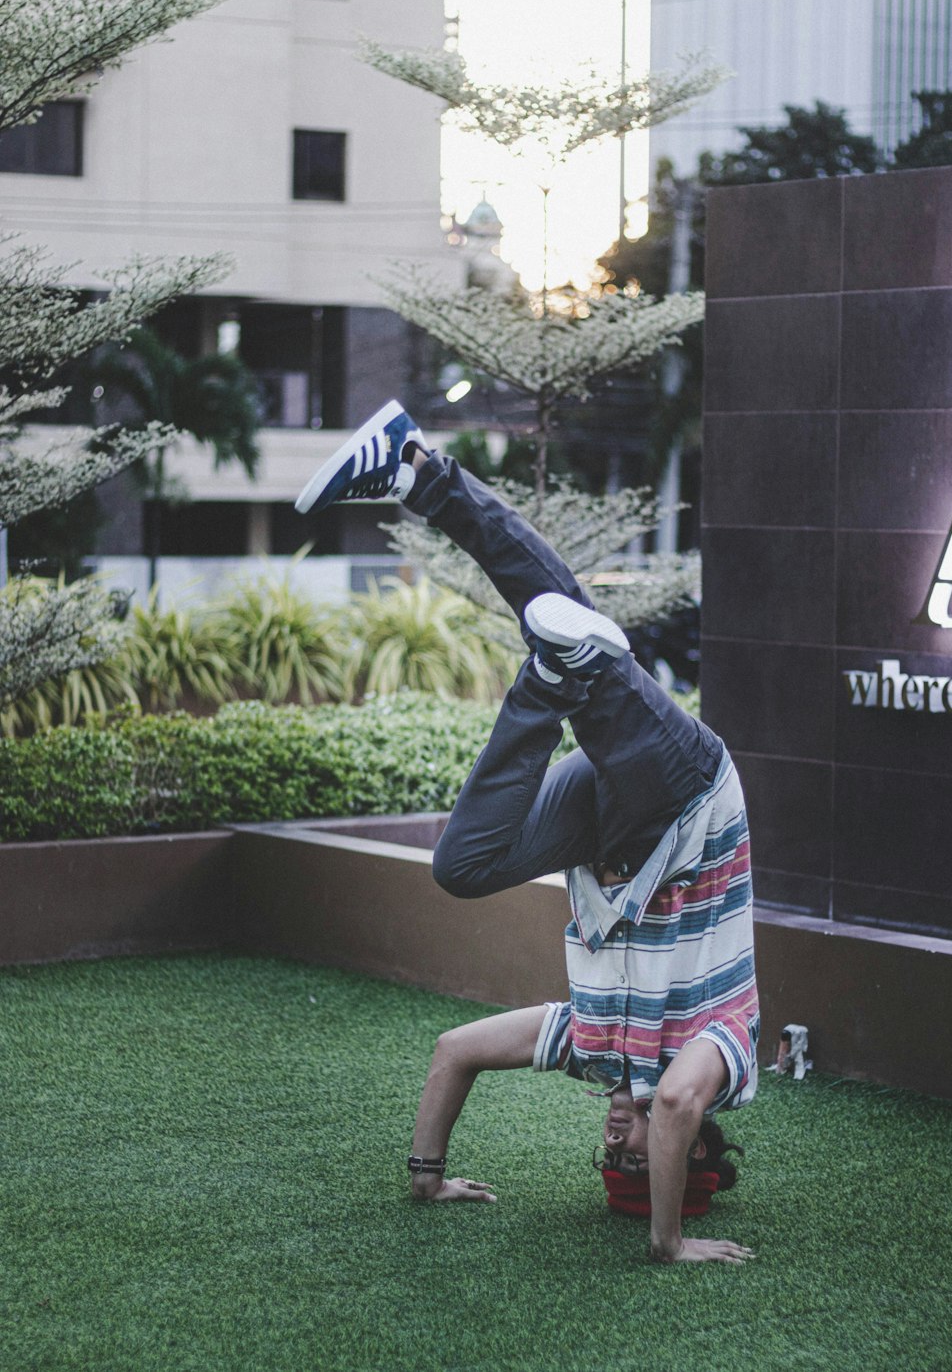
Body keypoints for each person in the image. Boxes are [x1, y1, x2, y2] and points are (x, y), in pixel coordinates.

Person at [296, 400, 759, 1266]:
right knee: (580, 624)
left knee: (462, 866)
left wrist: (427, 1174)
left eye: (608, 1152)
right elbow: (672, 1105)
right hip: (690, 798)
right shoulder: (722, 1056)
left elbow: (454, 1050)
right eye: (633, 1154)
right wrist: (669, 1244)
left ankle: (546, 676)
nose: (618, 1134)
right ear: (695, 1150)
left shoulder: (590, 1047)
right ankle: (423, 472)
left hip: (600, 828)